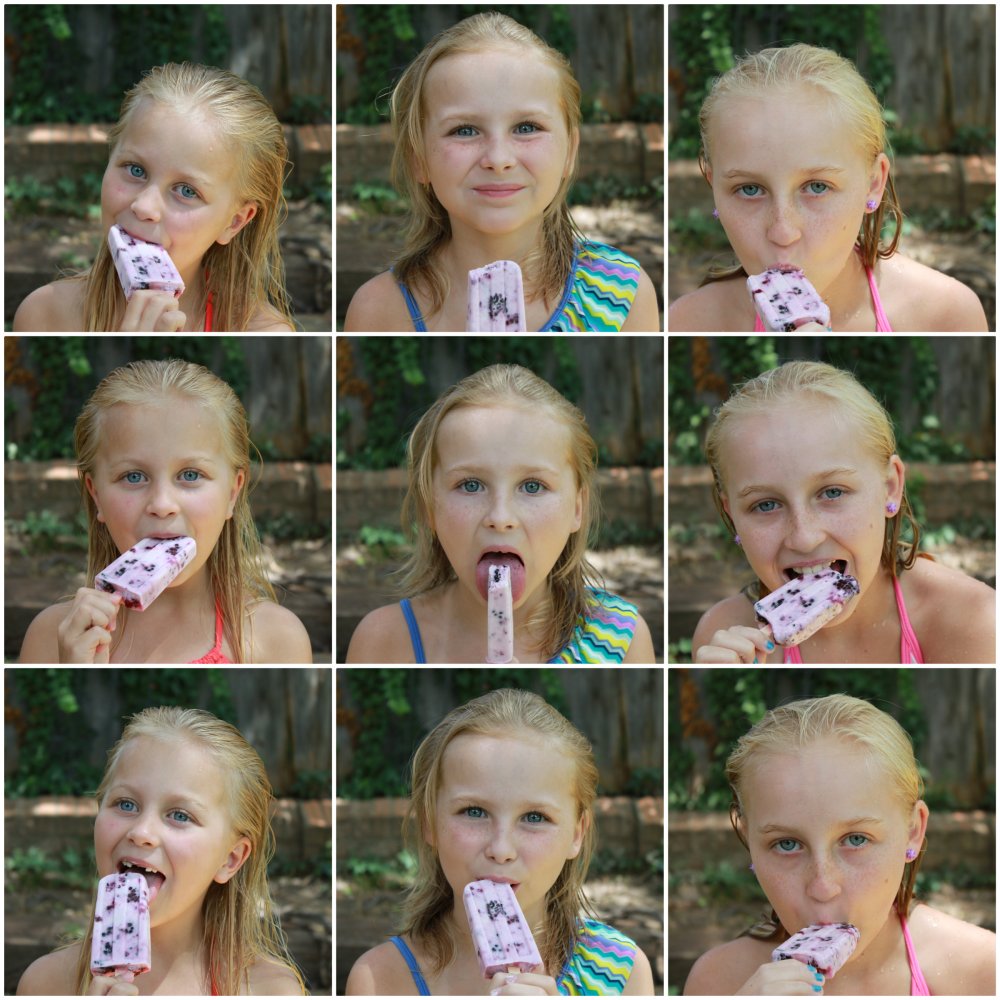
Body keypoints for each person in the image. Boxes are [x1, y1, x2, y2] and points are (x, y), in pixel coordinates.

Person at [344, 12, 660, 332]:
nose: (498, 159)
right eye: (465, 130)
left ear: (570, 152)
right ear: (418, 159)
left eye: (526, 127)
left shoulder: (623, 293)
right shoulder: (379, 310)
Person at [346, 688, 656, 995]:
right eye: (474, 811)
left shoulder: (620, 974)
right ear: (429, 824)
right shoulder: (380, 980)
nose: (501, 850)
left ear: (577, 834)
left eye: (534, 817)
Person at [684, 693, 995, 995]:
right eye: (787, 844)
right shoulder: (718, 983)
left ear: (913, 830)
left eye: (856, 839)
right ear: (750, 840)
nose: (822, 886)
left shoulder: (981, 971)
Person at [347, 363, 656, 663]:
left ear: (577, 507)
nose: (500, 517)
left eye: (533, 486)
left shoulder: (621, 642)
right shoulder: (383, 642)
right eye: (470, 485)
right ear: (430, 508)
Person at [668, 44, 988, 332]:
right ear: (714, 189)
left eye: (817, 186)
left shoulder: (946, 315)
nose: (782, 232)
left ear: (873, 184)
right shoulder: (689, 321)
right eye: (750, 189)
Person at [692, 360, 995, 663]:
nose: (804, 538)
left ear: (890, 487)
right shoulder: (723, 636)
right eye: (766, 505)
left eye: (832, 492)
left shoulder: (973, 623)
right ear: (733, 516)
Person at [19, 358, 312, 663]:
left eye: (190, 475)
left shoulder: (276, 639)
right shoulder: (51, 636)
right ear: (96, 496)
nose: (161, 505)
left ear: (232, 492)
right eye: (133, 477)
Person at [17, 706, 304, 995]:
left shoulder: (269, 990)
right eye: (126, 804)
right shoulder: (47, 984)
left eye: (180, 815)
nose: (141, 833)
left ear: (230, 859)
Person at [14, 63, 295, 332]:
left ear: (234, 222)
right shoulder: (45, 315)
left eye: (186, 191)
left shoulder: (261, 330)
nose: (144, 206)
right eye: (136, 170)